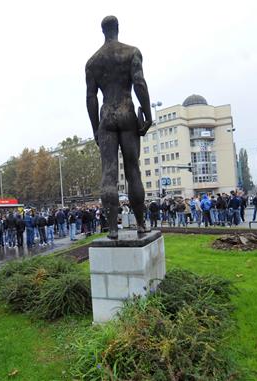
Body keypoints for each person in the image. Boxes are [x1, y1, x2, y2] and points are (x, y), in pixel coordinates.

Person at [86, 15, 152, 239]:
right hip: (126, 113)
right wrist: (148, 114)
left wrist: (96, 127)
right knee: (133, 171)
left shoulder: (93, 62)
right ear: (117, 29)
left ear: (102, 31)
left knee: (108, 173)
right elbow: (139, 84)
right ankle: (141, 225)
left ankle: (113, 228)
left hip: (107, 116)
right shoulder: (131, 52)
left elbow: (91, 98)